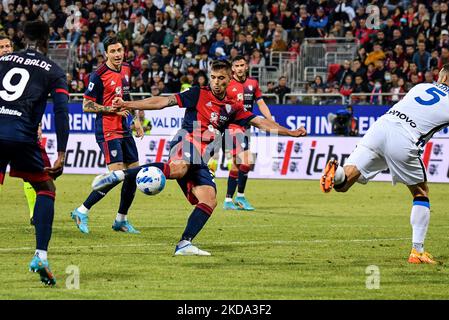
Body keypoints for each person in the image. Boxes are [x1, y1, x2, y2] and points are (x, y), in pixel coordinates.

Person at [91, 60, 307, 256]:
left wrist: (290, 132)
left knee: (209, 199)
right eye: (213, 77)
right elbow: (162, 102)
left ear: (230, 79)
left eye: (221, 78)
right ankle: (119, 175)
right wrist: (128, 105)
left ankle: (184, 243)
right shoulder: (198, 93)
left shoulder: (233, 107)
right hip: (184, 143)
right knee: (178, 169)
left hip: (200, 158)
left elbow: (260, 122)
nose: (216, 82)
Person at [320, 64, 449, 265]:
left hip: (380, 127)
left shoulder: (421, 87)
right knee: (420, 193)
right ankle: (417, 251)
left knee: (344, 183)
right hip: (405, 137)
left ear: (443, 77)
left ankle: (335, 172)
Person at [0, 21, 69, 285]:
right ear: (46, 41)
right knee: (45, 188)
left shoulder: (4, 60)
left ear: (21, 38)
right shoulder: (53, 69)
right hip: (21, 136)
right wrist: (61, 153)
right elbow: (62, 113)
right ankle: (40, 254)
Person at [70, 37, 144, 234]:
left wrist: (136, 119)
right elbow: (86, 105)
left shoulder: (127, 68)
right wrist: (111, 110)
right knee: (117, 176)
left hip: (125, 129)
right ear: (106, 54)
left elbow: (127, 97)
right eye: (113, 51)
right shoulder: (99, 75)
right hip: (107, 130)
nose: (117, 54)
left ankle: (121, 220)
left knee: (133, 175)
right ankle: (81, 210)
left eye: (119, 50)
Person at [221, 55, 274, 211]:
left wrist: (269, 119)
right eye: (236, 65)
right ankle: (241, 197)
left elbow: (261, 102)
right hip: (232, 127)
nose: (239, 68)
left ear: (246, 66)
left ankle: (228, 200)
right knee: (247, 160)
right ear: (232, 68)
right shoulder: (228, 84)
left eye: (242, 65)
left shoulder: (253, 83)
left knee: (238, 165)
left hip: (246, 127)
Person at [0, 35, 40, 225]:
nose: (6, 49)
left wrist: (37, 124)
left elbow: (32, 101)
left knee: (29, 173)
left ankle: (34, 213)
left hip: (20, 128)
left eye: (8, 46)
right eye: (2, 47)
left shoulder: (22, 71)